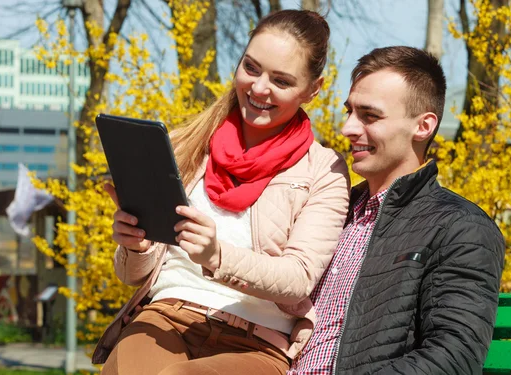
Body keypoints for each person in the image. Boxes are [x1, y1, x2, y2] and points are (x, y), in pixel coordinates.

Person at [92, 9, 351, 375]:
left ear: (313, 89)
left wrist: (217, 256)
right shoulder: (189, 144)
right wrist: (137, 245)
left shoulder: (324, 171)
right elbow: (133, 274)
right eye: (251, 67)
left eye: (281, 80)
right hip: (166, 315)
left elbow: (297, 278)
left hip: (258, 344)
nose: (259, 88)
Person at [289, 46, 505, 375]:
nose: (348, 128)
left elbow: (453, 357)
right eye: (349, 112)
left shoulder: (460, 228)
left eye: (369, 116)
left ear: (423, 126)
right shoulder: (331, 210)